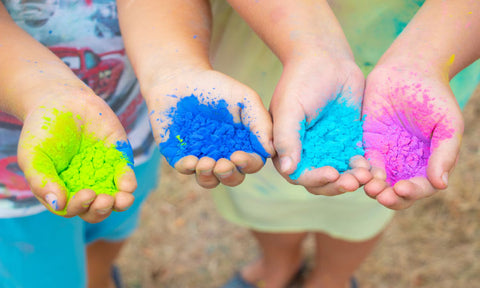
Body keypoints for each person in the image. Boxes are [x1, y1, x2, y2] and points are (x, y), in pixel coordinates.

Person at [127, 0, 480, 287]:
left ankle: (332, 278)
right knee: (263, 194)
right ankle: (278, 265)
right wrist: (313, 49)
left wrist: (423, 62)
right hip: (267, 63)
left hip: (411, 81)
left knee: (362, 209)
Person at [0, 0, 160, 287]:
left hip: (124, 132)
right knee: (44, 275)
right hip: (15, 176)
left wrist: (173, 69)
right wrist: (46, 93)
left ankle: (98, 279)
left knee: (113, 228)